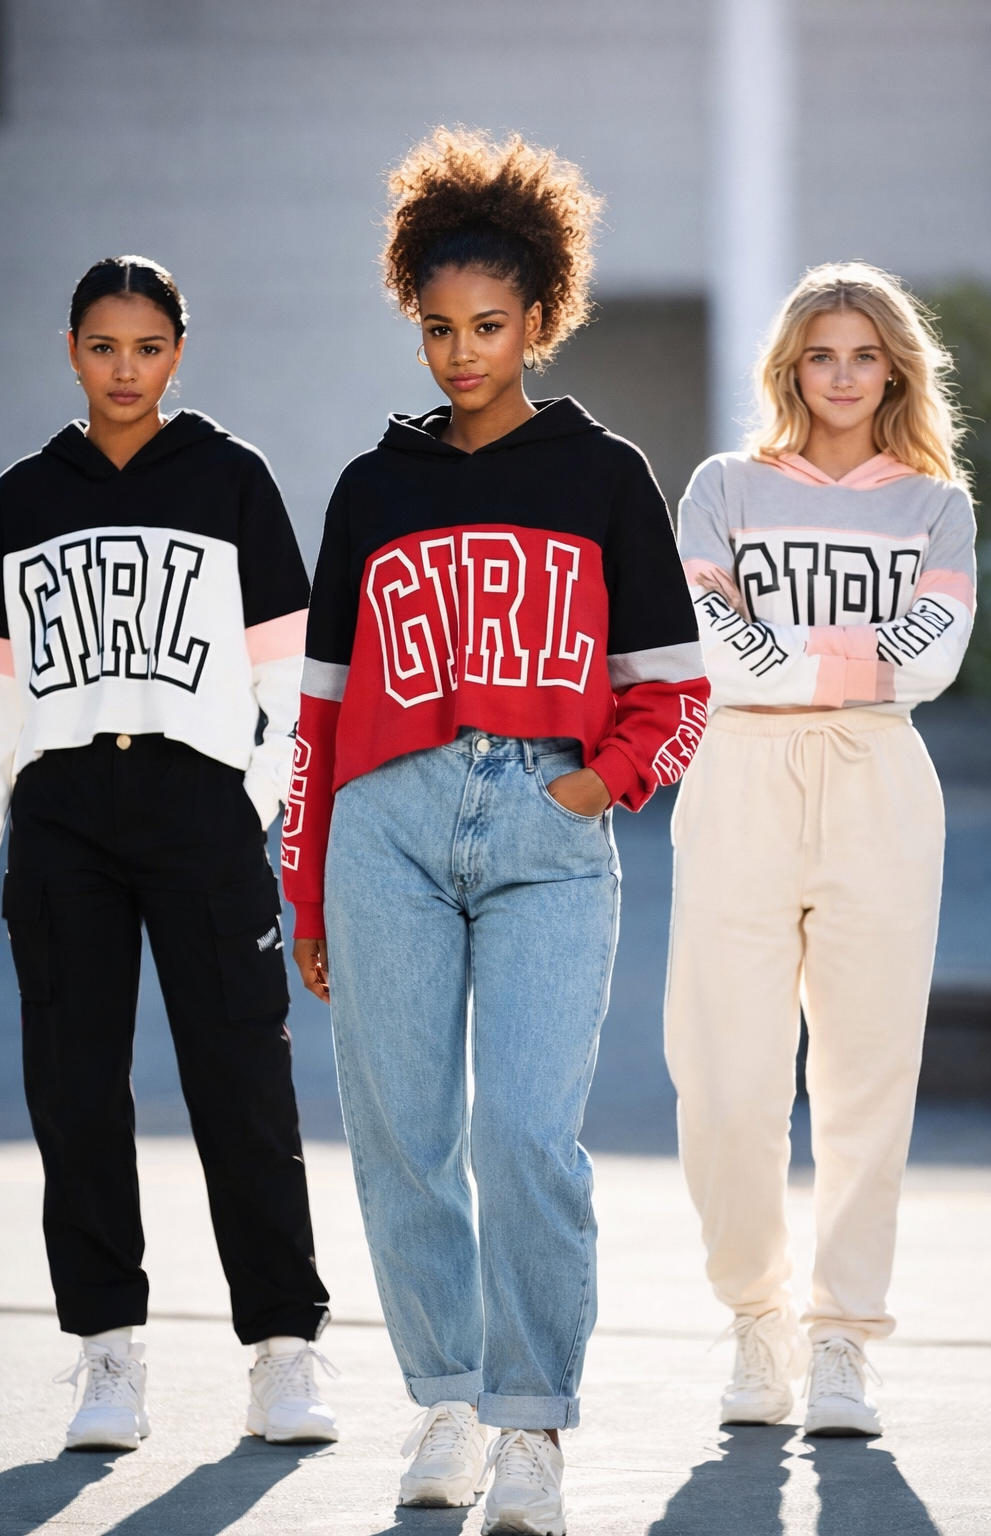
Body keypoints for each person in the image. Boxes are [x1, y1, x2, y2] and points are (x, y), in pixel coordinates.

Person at [280, 128, 709, 1534]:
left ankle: (533, 1426)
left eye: (488, 327)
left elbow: (675, 693)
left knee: (526, 1135)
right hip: (385, 829)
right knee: (405, 1136)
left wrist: (593, 789)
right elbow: (321, 716)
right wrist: (311, 890)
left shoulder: (602, 474)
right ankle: (449, 1402)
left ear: (540, 319)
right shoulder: (373, 489)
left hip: (544, 831)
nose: (461, 355)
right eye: (436, 330)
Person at [0, 256, 338, 1452]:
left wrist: (265, 823)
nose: (124, 370)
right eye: (101, 347)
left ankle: (284, 1354)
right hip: (65, 815)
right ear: (70, 351)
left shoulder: (232, 481)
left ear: (178, 352)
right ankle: (107, 1357)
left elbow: (286, 678)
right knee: (73, 1094)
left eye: (147, 347)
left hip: (201, 809)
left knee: (242, 1080)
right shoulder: (25, 497)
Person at [666, 262, 976, 1437]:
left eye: (862, 355)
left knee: (864, 1080)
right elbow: (715, 650)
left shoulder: (935, 505)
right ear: (788, 367)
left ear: (892, 366)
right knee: (727, 1080)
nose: (841, 377)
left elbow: (932, 657)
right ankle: (757, 1319)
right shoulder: (724, 487)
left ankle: (841, 1336)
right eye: (819, 355)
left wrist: (789, 647)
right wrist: (847, 650)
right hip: (740, 775)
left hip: (878, 784)